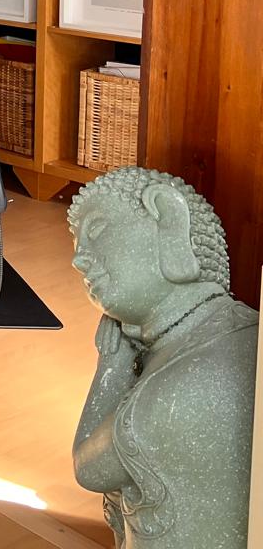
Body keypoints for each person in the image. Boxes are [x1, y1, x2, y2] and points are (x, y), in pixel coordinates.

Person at [70, 167, 257, 547]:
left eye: (98, 230)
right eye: (77, 245)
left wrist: (112, 366)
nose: (79, 260)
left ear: (169, 219)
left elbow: (88, 469)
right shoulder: (240, 326)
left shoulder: (181, 387)